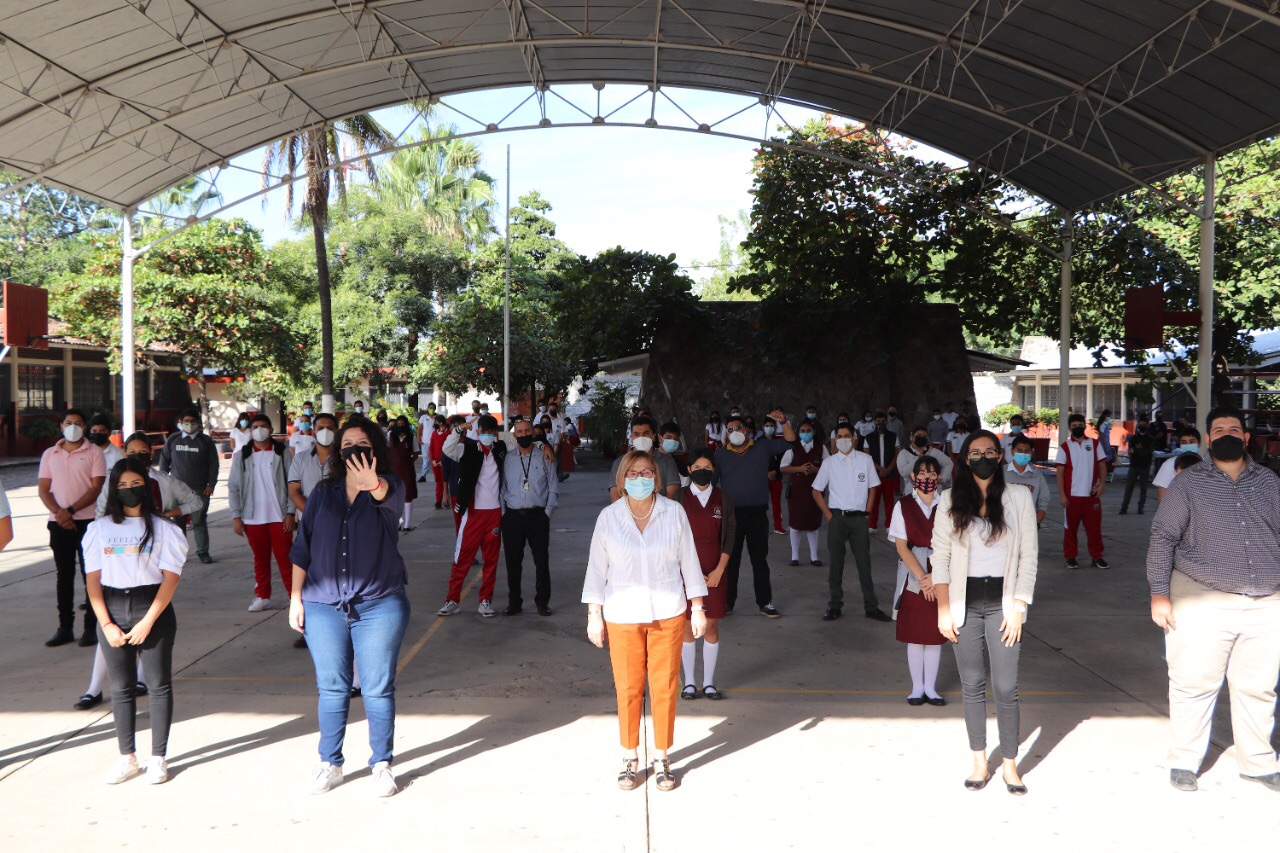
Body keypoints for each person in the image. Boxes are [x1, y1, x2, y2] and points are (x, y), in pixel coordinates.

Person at [1147, 406, 1280, 794]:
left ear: (1246, 438)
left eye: (1233, 429)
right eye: (1218, 429)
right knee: (1193, 682)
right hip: (1202, 596)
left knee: (1258, 686)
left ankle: (1256, 762)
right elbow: (1163, 538)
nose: (1226, 434)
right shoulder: (1188, 484)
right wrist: (1159, 594)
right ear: (1208, 438)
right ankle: (1185, 760)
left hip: (1267, 599)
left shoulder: (1270, 482)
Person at [288, 418, 409, 797]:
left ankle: (382, 764)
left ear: (375, 448)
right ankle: (330, 763)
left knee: (376, 688)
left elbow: (387, 498)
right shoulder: (323, 493)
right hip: (322, 605)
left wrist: (371, 481)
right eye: (347, 443)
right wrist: (294, 598)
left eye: (362, 442)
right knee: (332, 688)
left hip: (379, 605)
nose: (353, 448)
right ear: (338, 452)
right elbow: (303, 547)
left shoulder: (390, 487)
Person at [583, 450, 709, 792]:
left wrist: (697, 607)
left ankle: (662, 756)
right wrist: (594, 615)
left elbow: (690, 562)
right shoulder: (609, 517)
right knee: (628, 687)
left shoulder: (674, 512)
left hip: (667, 610)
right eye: (633, 474)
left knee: (665, 686)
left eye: (647, 473)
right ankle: (630, 755)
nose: (640, 479)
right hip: (622, 613)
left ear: (656, 476)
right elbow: (597, 569)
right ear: (623, 479)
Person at [932, 429, 1039, 795]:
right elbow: (941, 559)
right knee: (972, 685)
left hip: (1003, 600)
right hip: (964, 601)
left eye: (990, 452)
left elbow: (1028, 556)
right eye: (975, 452)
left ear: (1000, 456)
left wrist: (1019, 606)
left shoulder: (1019, 498)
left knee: (1006, 686)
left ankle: (1010, 763)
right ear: (964, 458)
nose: (983, 457)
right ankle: (980, 760)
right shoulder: (948, 500)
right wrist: (944, 610)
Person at [85, 457, 188, 785]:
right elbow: (92, 581)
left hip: (152, 608)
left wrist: (147, 622)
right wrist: (106, 624)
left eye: (136, 484)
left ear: (147, 486)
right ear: (113, 490)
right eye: (122, 486)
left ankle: (158, 758)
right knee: (121, 688)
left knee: (158, 686)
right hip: (113, 609)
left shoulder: (165, 529)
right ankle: (127, 758)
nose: (130, 491)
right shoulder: (98, 530)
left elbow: (170, 580)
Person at [715, 408, 796, 617]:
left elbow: (789, 442)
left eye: (738, 427)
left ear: (747, 430)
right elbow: (710, 483)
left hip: (757, 515)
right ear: (726, 433)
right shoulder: (720, 455)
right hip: (731, 517)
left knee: (759, 559)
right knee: (730, 561)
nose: (735, 431)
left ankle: (765, 601)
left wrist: (784, 421)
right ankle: (726, 602)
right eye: (730, 429)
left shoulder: (762, 447)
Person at [38, 408, 107, 647]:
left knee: (90, 575)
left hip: (88, 522)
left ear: (85, 427)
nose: (73, 426)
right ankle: (65, 627)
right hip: (58, 523)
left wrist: (71, 511)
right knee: (63, 575)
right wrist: (60, 514)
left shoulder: (95, 452)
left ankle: (91, 627)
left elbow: (96, 487)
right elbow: (44, 488)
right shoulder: (50, 454)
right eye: (69, 422)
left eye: (78, 422)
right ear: (61, 426)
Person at [811, 422, 889, 622]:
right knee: (835, 565)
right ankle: (835, 605)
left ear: (854, 438)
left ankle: (871, 606)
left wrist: (868, 513)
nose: (843, 439)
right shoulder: (829, 463)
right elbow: (816, 491)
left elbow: (873, 488)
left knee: (864, 564)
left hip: (859, 520)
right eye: (840, 436)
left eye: (847, 435)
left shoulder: (865, 460)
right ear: (835, 439)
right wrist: (829, 515)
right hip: (837, 518)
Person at [889, 455, 946, 706]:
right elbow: (901, 546)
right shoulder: (903, 506)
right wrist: (923, 578)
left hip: (942, 569)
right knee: (915, 633)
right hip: (913, 571)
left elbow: (953, 543)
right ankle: (916, 688)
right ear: (913, 477)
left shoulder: (946, 504)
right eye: (922, 474)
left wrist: (936, 576)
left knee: (935, 631)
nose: (927, 479)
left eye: (932, 474)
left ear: (939, 478)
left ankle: (931, 688)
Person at [228, 413, 297, 614]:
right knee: (260, 559)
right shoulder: (242, 455)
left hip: (279, 515)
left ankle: (294, 597)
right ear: (250, 430)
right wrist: (236, 516)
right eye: (255, 426)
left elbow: (292, 483)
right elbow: (234, 487)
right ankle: (262, 596)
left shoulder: (282, 452)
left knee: (286, 558)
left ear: (271, 429)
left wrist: (290, 513)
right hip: (252, 517)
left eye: (263, 426)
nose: (259, 429)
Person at [680, 450, 734, 700]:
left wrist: (719, 571)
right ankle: (689, 683)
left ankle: (709, 683)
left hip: (715, 570)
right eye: (698, 466)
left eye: (708, 467)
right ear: (689, 469)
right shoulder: (678, 498)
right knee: (687, 626)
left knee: (711, 623)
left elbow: (730, 535)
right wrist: (688, 572)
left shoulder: (723, 498)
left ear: (714, 470)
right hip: (683, 569)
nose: (703, 470)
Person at [438, 415, 504, 617]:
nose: (487, 435)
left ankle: (485, 601)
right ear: (477, 432)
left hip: (494, 513)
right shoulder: (466, 449)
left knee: (491, 561)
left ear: (495, 433)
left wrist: (542, 444)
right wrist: (458, 431)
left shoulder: (501, 449)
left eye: (490, 432)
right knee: (462, 559)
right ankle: (452, 600)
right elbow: (446, 449)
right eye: (483, 432)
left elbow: (521, 438)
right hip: (473, 513)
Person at [501, 418, 559, 616]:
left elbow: (553, 486)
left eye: (527, 431)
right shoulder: (508, 458)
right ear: (514, 434)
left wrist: (547, 513)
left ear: (533, 434)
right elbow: (503, 488)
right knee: (512, 562)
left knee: (541, 561)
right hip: (512, 517)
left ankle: (542, 602)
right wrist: (504, 514)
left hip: (537, 516)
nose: (524, 434)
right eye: (520, 432)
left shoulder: (545, 456)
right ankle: (514, 602)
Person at [158, 407, 220, 565]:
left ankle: (203, 552)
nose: (190, 424)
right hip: (176, 490)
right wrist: (164, 482)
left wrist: (211, 484)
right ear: (180, 423)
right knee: (178, 523)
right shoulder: (173, 439)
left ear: (198, 423)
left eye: (193, 421)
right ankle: (180, 553)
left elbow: (214, 464)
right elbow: (164, 461)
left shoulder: (205, 441)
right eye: (186, 421)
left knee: (199, 521)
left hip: (200, 489)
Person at [1055, 412, 1109, 569]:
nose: (1078, 428)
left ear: (1084, 426)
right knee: (1070, 529)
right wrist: (1062, 495)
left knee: (1094, 529)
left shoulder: (1094, 444)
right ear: (1069, 428)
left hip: (1091, 496)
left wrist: (1102, 485)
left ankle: (1097, 557)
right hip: (1071, 497)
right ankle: (1070, 557)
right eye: (1074, 426)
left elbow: (1102, 466)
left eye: (1080, 425)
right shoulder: (1065, 447)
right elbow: (1060, 473)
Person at [779, 421, 827, 566]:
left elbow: (830, 466)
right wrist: (799, 468)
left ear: (813, 432)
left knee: (813, 523)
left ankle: (814, 556)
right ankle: (795, 556)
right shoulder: (793, 449)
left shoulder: (821, 448)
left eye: (808, 430)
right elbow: (783, 467)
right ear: (798, 433)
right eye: (802, 430)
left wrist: (816, 470)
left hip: (815, 490)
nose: (805, 433)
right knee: (796, 523)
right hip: (797, 490)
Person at [609, 417, 679, 501]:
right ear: (631, 437)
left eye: (646, 433)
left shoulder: (668, 461)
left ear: (653, 436)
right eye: (636, 434)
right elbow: (616, 496)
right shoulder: (619, 462)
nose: (641, 437)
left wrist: (653, 512)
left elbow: (672, 495)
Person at [288, 413, 339, 513]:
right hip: (308, 520)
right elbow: (294, 492)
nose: (325, 431)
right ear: (314, 432)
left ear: (336, 432)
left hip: (337, 520)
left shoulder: (343, 459)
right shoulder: (300, 458)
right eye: (320, 428)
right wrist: (312, 513)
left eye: (330, 428)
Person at [858, 412, 899, 532]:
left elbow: (897, 454)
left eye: (883, 421)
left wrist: (889, 469)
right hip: (874, 474)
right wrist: (880, 469)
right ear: (875, 422)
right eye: (878, 421)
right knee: (873, 501)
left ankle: (889, 525)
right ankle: (872, 525)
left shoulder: (893, 436)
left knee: (889, 501)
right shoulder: (869, 437)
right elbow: (867, 455)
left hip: (890, 474)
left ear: (886, 421)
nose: (880, 423)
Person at [1005, 435, 1049, 526]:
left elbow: (1043, 502)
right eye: (1019, 451)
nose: (1023, 454)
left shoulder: (1037, 475)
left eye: (1027, 451)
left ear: (1031, 452)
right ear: (1012, 452)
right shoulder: (1000, 473)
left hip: (1028, 526)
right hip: (1004, 525)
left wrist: (1035, 524)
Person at [896, 425, 954, 495]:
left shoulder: (933, 451)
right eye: (918, 435)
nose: (921, 438)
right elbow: (903, 473)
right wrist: (918, 459)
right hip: (913, 490)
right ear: (912, 437)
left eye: (924, 436)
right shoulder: (904, 453)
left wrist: (942, 479)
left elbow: (949, 463)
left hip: (934, 491)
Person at [387, 415, 419, 531]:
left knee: (408, 495)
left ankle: (407, 524)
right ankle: (397, 523)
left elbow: (415, 452)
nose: (400, 426)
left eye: (403, 424)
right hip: (394, 470)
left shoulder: (411, 437)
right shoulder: (390, 435)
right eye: (398, 424)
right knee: (395, 496)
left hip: (407, 469)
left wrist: (408, 461)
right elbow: (386, 450)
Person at [1153, 428, 1203, 501]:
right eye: (1184, 442)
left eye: (1192, 442)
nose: (1188, 445)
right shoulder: (1169, 464)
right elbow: (1161, 497)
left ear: (1199, 443)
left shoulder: (1207, 465)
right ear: (1180, 444)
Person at [1120, 417, 1155, 514]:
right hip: (1134, 465)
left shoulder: (1150, 438)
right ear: (1138, 424)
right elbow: (1129, 451)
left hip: (1145, 466)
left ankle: (1141, 507)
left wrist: (1136, 450)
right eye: (1140, 424)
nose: (1142, 426)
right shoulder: (1133, 438)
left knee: (1144, 488)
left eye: (1144, 424)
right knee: (1129, 487)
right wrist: (1136, 450)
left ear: (1147, 425)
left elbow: (1148, 451)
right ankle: (1124, 507)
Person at [763, 417, 787, 535]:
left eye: (771, 426)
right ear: (763, 427)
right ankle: (761, 527)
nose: (769, 428)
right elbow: (756, 460)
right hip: (761, 478)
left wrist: (776, 472)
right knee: (761, 504)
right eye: (767, 425)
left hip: (776, 477)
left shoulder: (779, 441)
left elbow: (783, 459)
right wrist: (765, 473)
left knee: (776, 503)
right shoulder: (758, 442)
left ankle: (778, 526)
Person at [427, 414, 449, 509]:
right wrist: (433, 460)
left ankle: (447, 500)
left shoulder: (448, 433)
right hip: (436, 462)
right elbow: (431, 447)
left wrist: (444, 460)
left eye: (436, 422)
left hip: (446, 461)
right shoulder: (434, 433)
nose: (434, 424)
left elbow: (449, 448)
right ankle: (438, 501)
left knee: (446, 482)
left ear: (440, 422)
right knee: (439, 482)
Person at [1097, 409, 1115, 480]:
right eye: (1108, 416)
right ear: (1105, 415)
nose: (1109, 417)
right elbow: (1102, 435)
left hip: (1105, 442)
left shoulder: (1105, 423)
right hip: (1103, 443)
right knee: (1103, 460)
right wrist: (1106, 446)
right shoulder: (1103, 424)